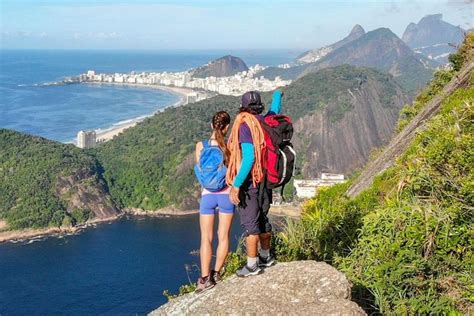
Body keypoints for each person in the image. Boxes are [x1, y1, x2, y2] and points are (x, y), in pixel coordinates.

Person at [226, 90, 283, 277]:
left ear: (243, 107)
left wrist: (236, 184)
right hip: (265, 181)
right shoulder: (264, 121)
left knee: (251, 226)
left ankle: (252, 266)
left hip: (251, 184)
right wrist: (277, 96)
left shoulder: (245, 125)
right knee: (263, 219)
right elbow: (274, 111)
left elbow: (249, 158)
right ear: (259, 106)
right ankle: (266, 257)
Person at [194, 111, 235, 293]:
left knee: (206, 238)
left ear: (212, 126)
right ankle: (216, 273)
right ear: (226, 128)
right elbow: (234, 172)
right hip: (226, 194)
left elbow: (201, 174)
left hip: (207, 196)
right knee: (223, 236)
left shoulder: (200, 146)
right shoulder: (229, 146)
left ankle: (204, 279)